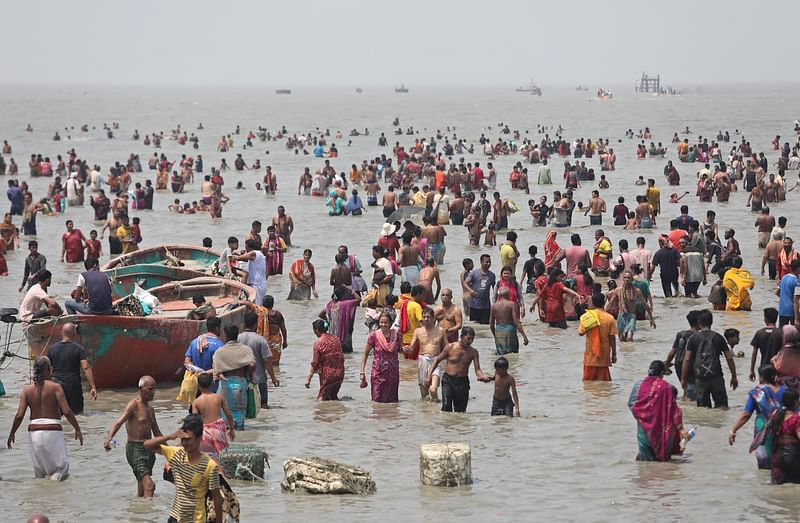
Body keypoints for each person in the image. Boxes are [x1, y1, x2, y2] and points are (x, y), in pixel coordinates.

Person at [7, 356, 83, 481]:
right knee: (61, 469)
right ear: (49, 369)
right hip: (53, 431)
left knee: (40, 473)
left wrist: (12, 433)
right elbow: (67, 411)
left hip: (34, 433)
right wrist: (77, 429)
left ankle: (41, 498)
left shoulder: (27, 389)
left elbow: (19, 415)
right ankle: (54, 495)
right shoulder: (56, 387)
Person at [143, 414, 223, 523]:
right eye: (182, 439)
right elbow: (147, 445)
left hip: (196, 519)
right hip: (175, 517)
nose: (184, 443)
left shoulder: (210, 466)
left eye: (188, 439)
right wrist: (170, 436)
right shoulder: (176, 454)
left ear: (200, 438)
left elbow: (217, 498)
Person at [102, 376, 162, 497]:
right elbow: (118, 422)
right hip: (135, 449)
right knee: (150, 485)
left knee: (142, 487)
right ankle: (149, 514)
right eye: (150, 389)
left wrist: (171, 452)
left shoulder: (150, 409)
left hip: (149, 450)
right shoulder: (133, 405)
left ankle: (138, 511)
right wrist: (109, 438)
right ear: (141, 389)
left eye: (154, 390)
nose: (153, 393)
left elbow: (157, 433)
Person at [628, 360, 688, 461]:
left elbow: (631, 404)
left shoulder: (638, 385)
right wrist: (681, 428)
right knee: (663, 463)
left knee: (645, 464)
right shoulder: (666, 387)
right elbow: (674, 410)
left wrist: (643, 417)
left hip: (643, 430)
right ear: (661, 373)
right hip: (661, 430)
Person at [728, 365, 786, 470]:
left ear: (762, 377)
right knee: (781, 464)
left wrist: (733, 430)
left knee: (764, 464)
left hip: (763, 430)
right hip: (783, 429)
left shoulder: (757, 392)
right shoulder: (786, 390)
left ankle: (765, 484)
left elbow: (746, 414)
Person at [681, 309, 738, 409]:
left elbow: (687, 359)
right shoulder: (718, 338)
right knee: (722, 407)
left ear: (699, 322)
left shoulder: (693, 338)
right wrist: (734, 376)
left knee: (703, 409)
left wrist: (683, 378)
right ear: (711, 322)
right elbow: (729, 358)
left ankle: (705, 425)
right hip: (716, 377)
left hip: (700, 378)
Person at [425, 326, 491, 413]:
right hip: (448, 380)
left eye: (472, 339)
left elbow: (477, 370)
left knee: (460, 411)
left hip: (462, 382)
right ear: (461, 336)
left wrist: (483, 376)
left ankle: (458, 427)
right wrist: (429, 376)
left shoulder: (473, 352)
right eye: (468, 338)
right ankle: (446, 426)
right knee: (446, 408)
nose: (470, 341)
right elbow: (437, 360)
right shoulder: (450, 347)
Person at [47, 322, 97, 415]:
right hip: (73, 385)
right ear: (74, 334)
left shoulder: (52, 348)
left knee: (58, 414)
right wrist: (93, 387)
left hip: (57, 385)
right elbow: (85, 367)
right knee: (78, 414)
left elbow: (48, 369)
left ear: (62, 333)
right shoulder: (78, 349)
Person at [212, 325, 256, 430]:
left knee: (225, 413)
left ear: (225, 336)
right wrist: (250, 376)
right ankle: (240, 437)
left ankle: (229, 440)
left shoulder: (219, 351)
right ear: (237, 335)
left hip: (224, 384)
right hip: (240, 382)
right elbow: (252, 364)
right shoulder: (246, 349)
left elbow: (216, 372)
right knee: (239, 413)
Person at [238, 312, 279, 409]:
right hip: (259, 380)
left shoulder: (237, 338)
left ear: (244, 323)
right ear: (256, 324)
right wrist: (273, 378)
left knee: (245, 408)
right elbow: (267, 361)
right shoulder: (260, 340)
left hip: (242, 379)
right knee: (263, 407)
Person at [359, 310, 402, 403]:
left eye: (386, 322)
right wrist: (362, 373)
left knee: (392, 402)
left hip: (392, 374)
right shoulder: (374, 336)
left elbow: (401, 350)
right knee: (377, 401)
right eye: (381, 322)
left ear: (391, 323)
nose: (383, 325)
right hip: (378, 374)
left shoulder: (396, 335)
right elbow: (365, 353)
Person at [190, 373, 235, 461]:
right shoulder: (218, 397)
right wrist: (232, 429)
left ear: (198, 385)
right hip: (218, 428)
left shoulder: (196, 402)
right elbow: (229, 415)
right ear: (212, 384)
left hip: (205, 429)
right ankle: (221, 472)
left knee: (207, 455)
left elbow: (194, 421)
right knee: (222, 455)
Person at [409, 307, 446, 400]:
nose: (425, 319)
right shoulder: (418, 331)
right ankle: (427, 412)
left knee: (433, 389)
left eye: (428, 317)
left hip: (436, 360)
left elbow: (447, 347)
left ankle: (437, 411)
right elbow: (411, 348)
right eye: (424, 317)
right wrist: (405, 349)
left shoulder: (440, 331)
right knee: (424, 395)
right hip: (422, 360)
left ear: (433, 318)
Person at [579, 293, 618, 380]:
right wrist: (614, 354)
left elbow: (580, 333)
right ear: (604, 303)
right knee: (604, 385)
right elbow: (612, 338)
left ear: (592, 303)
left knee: (588, 384)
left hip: (591, 355)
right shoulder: (610, 318)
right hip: (604, 356)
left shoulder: (587, 317)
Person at [305, 318, 345, 400]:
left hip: (328, 375)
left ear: (316, 329)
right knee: (333, 398)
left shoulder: (318, 343)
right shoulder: (336, 339)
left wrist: (309, 378)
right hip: (340, 374)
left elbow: (315, 362)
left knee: (322, 400)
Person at [664, 309, 700, 400]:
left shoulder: (680, 334)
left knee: (685, 388)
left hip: (678, 364)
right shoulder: (698, 336)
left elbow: (673, 352)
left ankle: (683, 400)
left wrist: (667, 364)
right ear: (699, 322)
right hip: (690, 365)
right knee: (692, 391)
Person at [490, 286, 529, 354]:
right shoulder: (511, 304)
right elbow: (516, 321)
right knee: (513, 352)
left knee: (501, 354)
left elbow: (491, 324)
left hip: (498, 330)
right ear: (508, 294)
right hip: (510, 330)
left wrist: (495, 335)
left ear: (499, 295)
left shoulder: (494, 306)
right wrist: (524, 336)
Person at [322, 285, 360, 354]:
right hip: (344, 334)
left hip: (333, 334)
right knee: (347, 354)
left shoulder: (329, 305)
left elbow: (321, 314)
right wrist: (351, 290)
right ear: (343, 295)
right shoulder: (345, 304)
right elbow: (358, 299)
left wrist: (328, 321)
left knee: (336, 353)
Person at [749, 308, 783, 382]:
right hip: (777, 368)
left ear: (765, 319)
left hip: (763, 368)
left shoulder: (759, 333)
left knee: (763, 390)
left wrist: (752, 370)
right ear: (776, 318)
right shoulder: (781, 333)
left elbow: (754, 353)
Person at [231, 239, 268, 305]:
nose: (246, 250)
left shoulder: (254, 253)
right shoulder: (259, 255)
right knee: (256, 304)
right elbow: (244, 259)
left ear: (250, 248)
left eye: (246, 248)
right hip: (259, 283)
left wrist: (231, 255)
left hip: (257, 284)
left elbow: (238, 258)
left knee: (257, 306)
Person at [463, 254, 496, 324]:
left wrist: (496, 300)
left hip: (486, 306)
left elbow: (494, 288)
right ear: (481, 262)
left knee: (485, 325)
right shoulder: (474, 273)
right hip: (474, 304)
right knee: (475, 326)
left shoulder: (492, 275)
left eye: (490, 262)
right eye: (486, 262)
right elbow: (465, 283)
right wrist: (471, 291)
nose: (488, 264)